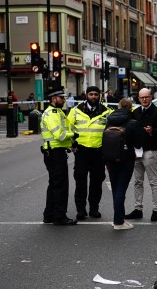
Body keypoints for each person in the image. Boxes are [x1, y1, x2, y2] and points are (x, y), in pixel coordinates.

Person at [67, 85, 112, 220]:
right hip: (81, 151)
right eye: (91, 94)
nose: (93, 97)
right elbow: (68, 128)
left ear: (99, 96)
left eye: (96, 94)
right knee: (80, 182)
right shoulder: (75, 111)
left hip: (98, 152)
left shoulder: (107, 112)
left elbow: (111, 132)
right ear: (86, 95)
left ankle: (94, 209)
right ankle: (81, 210)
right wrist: (72, 145)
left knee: (96, 183)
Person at [126, 88, 157, 222]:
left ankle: (156, 210)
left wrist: (151, 131)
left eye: (146, 97)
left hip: (149, 151)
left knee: (153, 182)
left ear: (151, 98)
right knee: (138, 182)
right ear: (138, 98)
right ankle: (138, 209)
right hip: (137, 151)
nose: (144, 99)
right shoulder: (135, 112)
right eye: (142, 97)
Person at [40, 86, 77, 225]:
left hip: (55, 152)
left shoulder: (58, 112)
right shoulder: (51, 114)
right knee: (60, 186)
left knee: (54, 185)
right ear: (53, 99)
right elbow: (60, 135)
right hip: (55, 154)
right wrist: (74, 136)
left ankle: (49, 214)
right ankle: (59, 216)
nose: (64, 100)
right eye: (61, 98)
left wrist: (72, 144)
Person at [104, 98, 143, 230]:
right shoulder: (133, 123)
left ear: (119, 106)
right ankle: (118, 222)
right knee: (121, 189)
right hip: (126, 159)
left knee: (116, 189)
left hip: (110, 158)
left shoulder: (109, 120)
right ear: (130, 108)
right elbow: (138, 144)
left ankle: (119, 218)